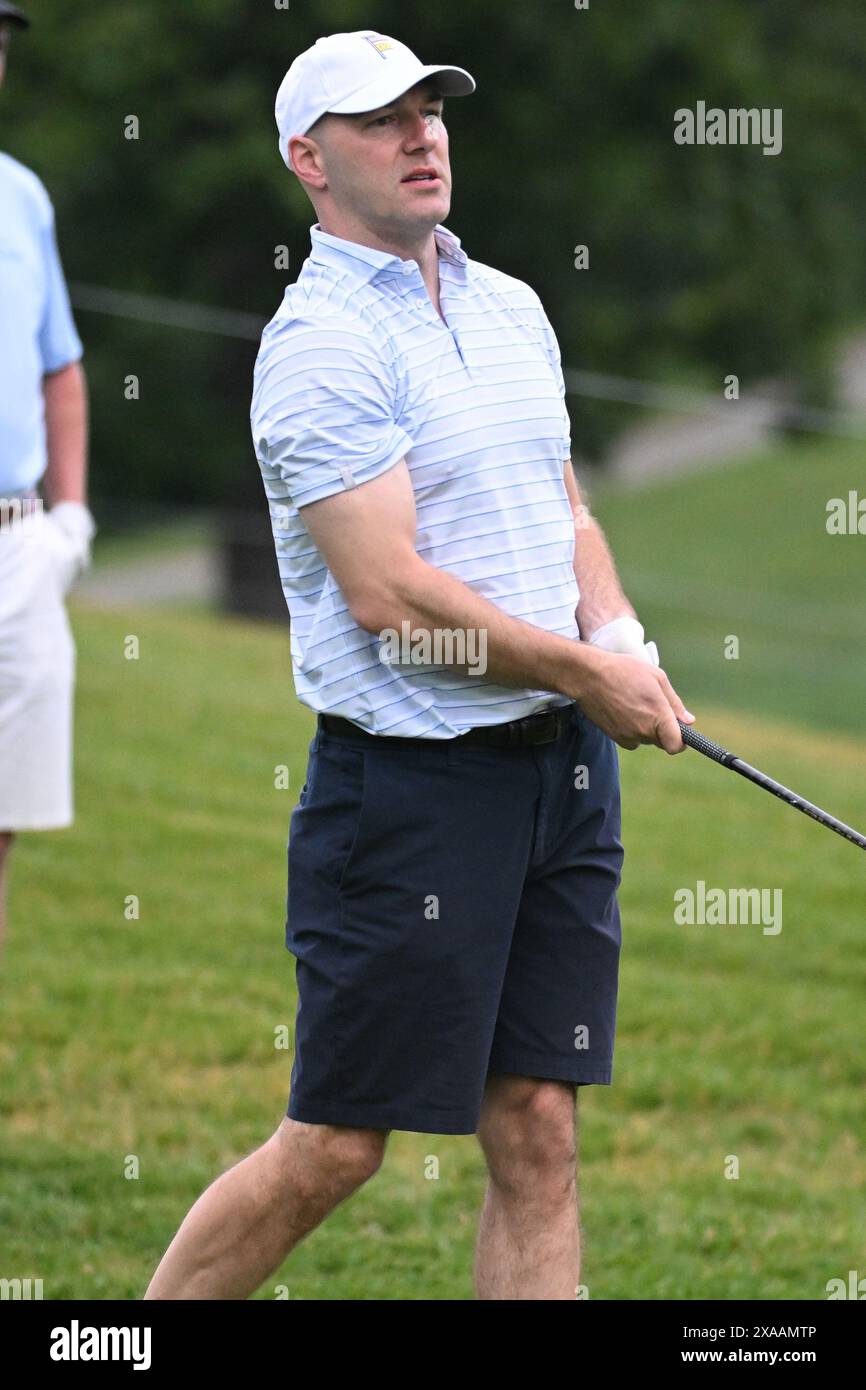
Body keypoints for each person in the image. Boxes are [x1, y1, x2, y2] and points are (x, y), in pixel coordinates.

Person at [145, 29, 694, 1301]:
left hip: (553, 777)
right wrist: (577, 672)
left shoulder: (510, 306)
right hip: (406, 795)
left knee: (538, 1128)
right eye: (380, 118)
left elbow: (560, 511)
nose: (421, 134)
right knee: (337, 1144)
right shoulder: (319, 345)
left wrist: (617, 644)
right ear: (307, 158)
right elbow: (391, 598)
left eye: (431, 110)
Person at [0, 1, 95, 960]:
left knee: (3, 827)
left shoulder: (21, 195)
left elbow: (58, 366)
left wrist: (68, 520)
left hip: (20, 545)